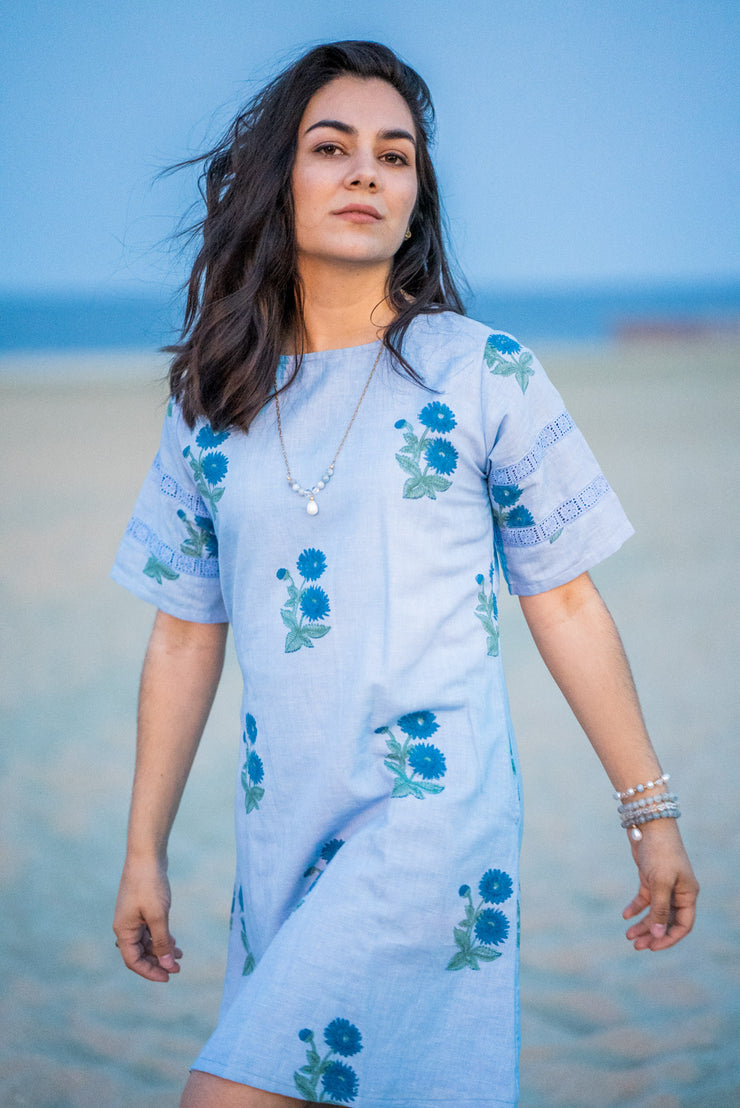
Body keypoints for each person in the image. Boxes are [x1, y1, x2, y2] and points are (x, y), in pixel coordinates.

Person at [111, 40, 698, 1108]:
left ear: (415, 196)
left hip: (428, 824)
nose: (365, 174)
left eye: (395, 156)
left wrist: (646, 813)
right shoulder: (211, 401)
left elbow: (563, 597)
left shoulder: (481, 373)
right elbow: (183, 630)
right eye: (331, 148)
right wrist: (143, 848)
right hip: (280, 831)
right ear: (275, 181)